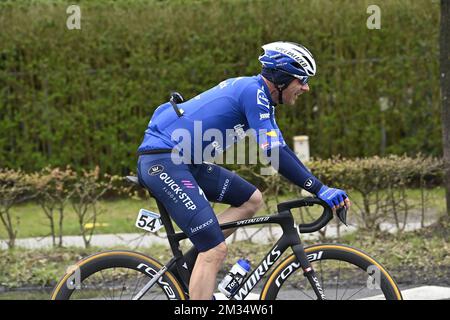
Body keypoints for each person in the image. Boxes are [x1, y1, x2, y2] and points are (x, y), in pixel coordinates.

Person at [136, 41, 351, 300]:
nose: (305, 87)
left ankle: (195, 260)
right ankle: (206, 255)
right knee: (215, 250)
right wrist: (320, 189)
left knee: (251, 199)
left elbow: (278, 149)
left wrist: (318, 186)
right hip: (165, 161)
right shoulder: (254, 92)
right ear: (282, 79)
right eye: (301, 80)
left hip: (185, 161)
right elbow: (275, 155)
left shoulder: (260, 98)